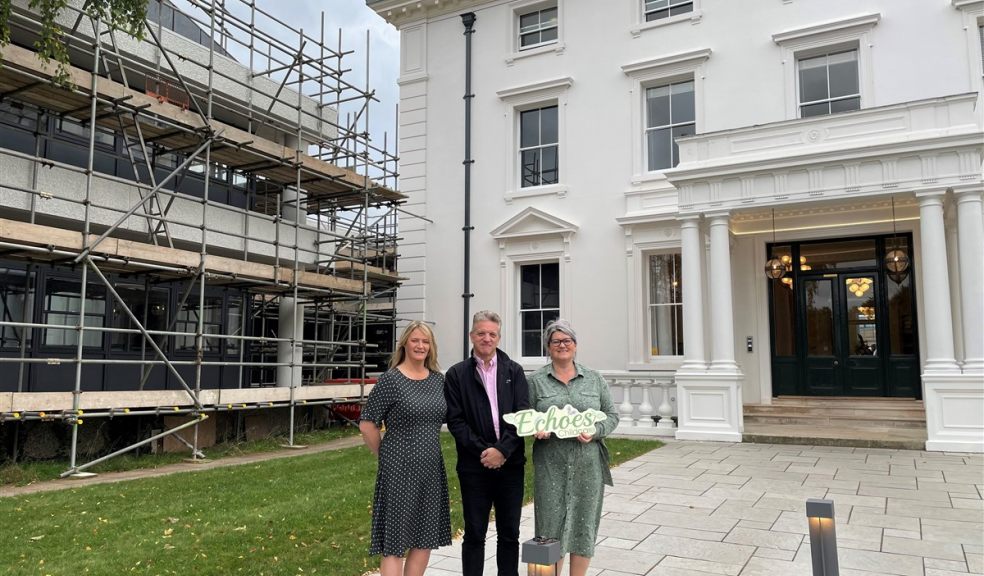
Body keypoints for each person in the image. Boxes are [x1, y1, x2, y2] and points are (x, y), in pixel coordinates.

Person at [360, 320, 452, 576]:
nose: (420, 345)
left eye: (425, 341)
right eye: (415, 340)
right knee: (394, 543)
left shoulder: (437, 380)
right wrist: (385, 455)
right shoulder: (391, 380)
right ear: (405, 344)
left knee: (425, 537)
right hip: (398, 469)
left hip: (431, 468)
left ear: (431, 347)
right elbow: (367, 424)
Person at [528, 319, 618, 576]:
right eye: (556, 341)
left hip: (588, 467)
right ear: (548, 346)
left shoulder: (594, 379)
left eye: (567, 340)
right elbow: (524, 415)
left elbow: (611, 415)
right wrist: (535, 427)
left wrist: (596, 431)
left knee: (583, 527)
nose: (562, 345)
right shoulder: (535, 381)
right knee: (547, 529)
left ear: (575, 346)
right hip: (550, 466)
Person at [445, 310, 530, 576]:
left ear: (499, 338)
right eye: (481, 333)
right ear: (472, 336)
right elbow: (456, 421)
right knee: (474, 535)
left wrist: (502, 450)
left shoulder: (514, 371)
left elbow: (523, 416)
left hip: (511, 465)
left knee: (509, 535)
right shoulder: (457, 374)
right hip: (474, 467)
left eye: (492, 334)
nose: (486, 338)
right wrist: (486, 452)